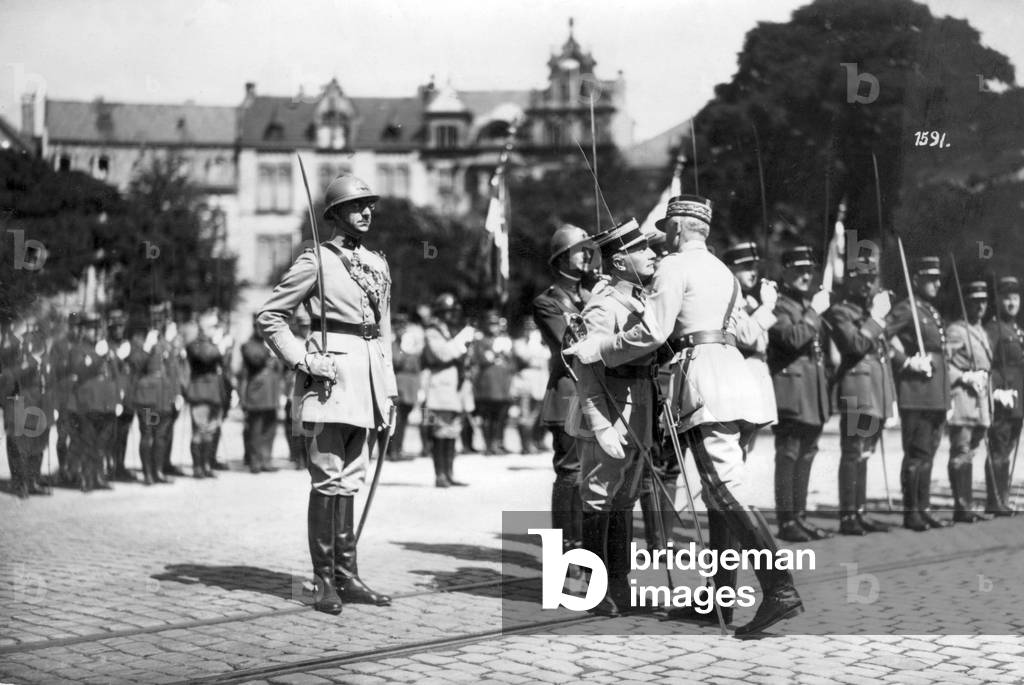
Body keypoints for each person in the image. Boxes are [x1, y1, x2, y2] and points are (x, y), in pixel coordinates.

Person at [567, 195, 803, 635]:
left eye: (665, 232)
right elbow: (744, 331)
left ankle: (779, 588)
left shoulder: (675, 267)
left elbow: (655, 330)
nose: (658, 246)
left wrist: (599, 347)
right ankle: (719, 598)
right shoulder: (723, 270)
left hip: (704, 383)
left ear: (676, 229)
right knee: (717, 498)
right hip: (736, 381)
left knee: (724, 491)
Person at [258, 172, 396, 614]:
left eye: (370, 204)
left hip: (369, 381)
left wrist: (389, 389)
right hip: (329, 379)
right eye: (357, 206)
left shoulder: (378, 263)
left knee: (352, 478)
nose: (367, 212)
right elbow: (270, 316)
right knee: (328, 477)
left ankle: (347, 574)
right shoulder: (316, 259)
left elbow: (384, 331)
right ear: (335, 214)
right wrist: (303, 359)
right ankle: (322, 580)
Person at [566, 220, 657, 616]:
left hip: (635, 410)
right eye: (643, 250)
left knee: (623, 498)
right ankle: (584, 589)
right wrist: (600, 424)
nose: (652, 254)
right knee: (596, 498)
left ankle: (618, 584)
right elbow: (586, 369)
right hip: (609, 410)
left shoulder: (639, 303)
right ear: (620, 261)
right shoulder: (603, 306)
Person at [532, 224, 598, 555]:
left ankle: (588, 550)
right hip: (569, 396)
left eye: (589, 248)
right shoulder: (547, 302)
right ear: (561, 258)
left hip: (596, 396)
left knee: (594, 476)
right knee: (571, 475)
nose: (589, 254)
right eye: (581, 249)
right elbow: (569, 345)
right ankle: (567, 553)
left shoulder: (592, 295)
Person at [821, 253, 895, 535]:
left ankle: (859, 511)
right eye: (861, 278)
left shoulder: (867, 313)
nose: (867, 285)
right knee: (853, 452)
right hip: (857, 393)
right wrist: (876, 318)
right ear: (849, 279)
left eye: (871, 279)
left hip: (874, 392)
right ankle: (848, 515)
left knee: (864, 453)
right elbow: (854, 344)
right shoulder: (841, 311)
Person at [768, 246, 833, 542]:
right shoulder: (779, 305)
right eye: (799, 270)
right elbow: (792, 338)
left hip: (811, 392)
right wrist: (814, 312)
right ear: (785, 272)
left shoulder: (804, 305)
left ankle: (800, 516)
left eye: (810, 270)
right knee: (789, 454)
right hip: (791, 392)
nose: (806, 276)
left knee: (806, 454)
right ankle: (786, 520)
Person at [886, 256, 951, 531]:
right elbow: (883, 334)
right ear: (917, 281)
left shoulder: (930, 311)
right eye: (930, 278)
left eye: (938, 278)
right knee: (916, 452)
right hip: (916, 391)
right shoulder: (907, 309)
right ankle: (911, 512)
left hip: (935, 391)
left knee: (929, 453)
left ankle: (923, 508)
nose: (936, 283)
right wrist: (906, 361)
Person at [723, 241, 778, 456]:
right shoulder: (729, 298)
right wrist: (768, 307)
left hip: (757, 378)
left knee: (746, 450)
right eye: (746, 267)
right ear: (730, 269)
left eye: (755, 267)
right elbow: (745, 336)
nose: (753, 273)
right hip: (741, 377)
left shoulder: (752, 300)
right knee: (733, 452)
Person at [422, 292, 475, 487]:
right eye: (448, 312)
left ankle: (450, 473)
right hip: (440, 385)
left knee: (452, 431)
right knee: (440, 431)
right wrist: (461, 341)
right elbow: (442, 354)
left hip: (456, 388)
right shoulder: (433, 331)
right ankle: (440, 474)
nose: (452, 315)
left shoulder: (450, 331)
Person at [0, 318, 54, 498]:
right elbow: (10, 375)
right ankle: (20, 484)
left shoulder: (39, 355)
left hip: (34, 406)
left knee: (33, 444)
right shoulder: (13, 349)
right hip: (18, 404)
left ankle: (31, 481)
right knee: (18, 445)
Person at [69, 312, 122, 492]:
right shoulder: (79, 349)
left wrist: (117, 400)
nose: (96, 333)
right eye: (92, 329)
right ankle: (87, 478)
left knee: (103, 443)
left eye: (98, 329)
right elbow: (80, 370)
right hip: (89, 403)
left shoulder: (105, 349)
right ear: (84, 331)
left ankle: (99, 476)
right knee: (88, 442)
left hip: (106, 403)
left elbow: (115, 376)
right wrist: (98, 356)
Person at [130, 303, 183, 485]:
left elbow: (173, 370)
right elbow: (136, 364)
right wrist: (146, 346)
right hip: (148, 399)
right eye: (157, 320)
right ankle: (147, 474)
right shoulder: (141, 340)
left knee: (161, 437)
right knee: (148, 435)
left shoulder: (166, 342)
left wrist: (177, 394)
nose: (160, 323)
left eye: (163, 320)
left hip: (164, 398)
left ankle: (158, 470)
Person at [985, 275, 1022, 516]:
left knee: (1007, 449)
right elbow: (988, 363)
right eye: (1006, 298)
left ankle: (1003, 498)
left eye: (1015, 297)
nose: (1011, 303)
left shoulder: (1017, 329)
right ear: (998, 300)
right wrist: (995, 391)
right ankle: (994, 499)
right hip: (1002, 398)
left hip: (1018, 401)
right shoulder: (993, 328)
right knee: (998, 448)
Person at [185, 311, 230, 478]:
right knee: (199, 430)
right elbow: (205, 357)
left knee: (211, 430)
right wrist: (219, 346)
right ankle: (198, 467)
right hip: (201, 393)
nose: (216, 329)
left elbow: (223, 363)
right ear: (203, 328)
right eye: (212, 326)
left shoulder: (213, 343)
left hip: (214, 392)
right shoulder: (195, 344)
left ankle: (206, 464)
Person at [239, 314, 284, 474]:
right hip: (256, 395)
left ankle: (266, 460)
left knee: (269, 430)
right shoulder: (248, 345)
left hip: (271, 394)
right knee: (255, 430)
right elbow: (255, 360)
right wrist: (270, 350)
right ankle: (254, 461)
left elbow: (281, 366)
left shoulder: (269, 345)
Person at [471, 311, 515, 454]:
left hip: (502, 385)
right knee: (487, 417)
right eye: (490, 324)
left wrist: (505, 353)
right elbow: (483, 359)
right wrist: (497, 353)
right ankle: (489, 445)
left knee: (500, 417)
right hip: (487, 385)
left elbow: (512, 363)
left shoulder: (504, 340)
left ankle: (498, 443)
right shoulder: (481, 341)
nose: (493, 327)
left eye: (495, 324)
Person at [511, 317, 550, 454]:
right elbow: (524, 358)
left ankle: (536, 441)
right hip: (526, 382)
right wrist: (532, 343)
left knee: (538, 415)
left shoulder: (542, 342)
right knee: (525, 414)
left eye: (534, 327)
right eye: (528, 327)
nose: (531, 330)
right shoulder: (520, 343)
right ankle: (525, 445)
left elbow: (547, 358)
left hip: (541, 381)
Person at [389, 310, 423, 461]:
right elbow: (396, 361)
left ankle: (399, 448)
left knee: (403, 421)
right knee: (397, 421)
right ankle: (393, 451)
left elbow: (416, 365)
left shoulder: (410, 343)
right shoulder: (394, 343)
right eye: (399, 325)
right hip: (399, 386)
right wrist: (403, 349)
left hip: (410, 387)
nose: (402, 329)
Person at [106, 309, 136, 482]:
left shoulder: (128, 345)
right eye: (115, 327)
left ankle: (120, 466)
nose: (118, 330)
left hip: (128, 396)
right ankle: (109, 467)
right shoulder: (105, 346)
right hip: (112, 396)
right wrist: (118, 357)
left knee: (124, 433)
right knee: (111, 434)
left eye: (121, 327)